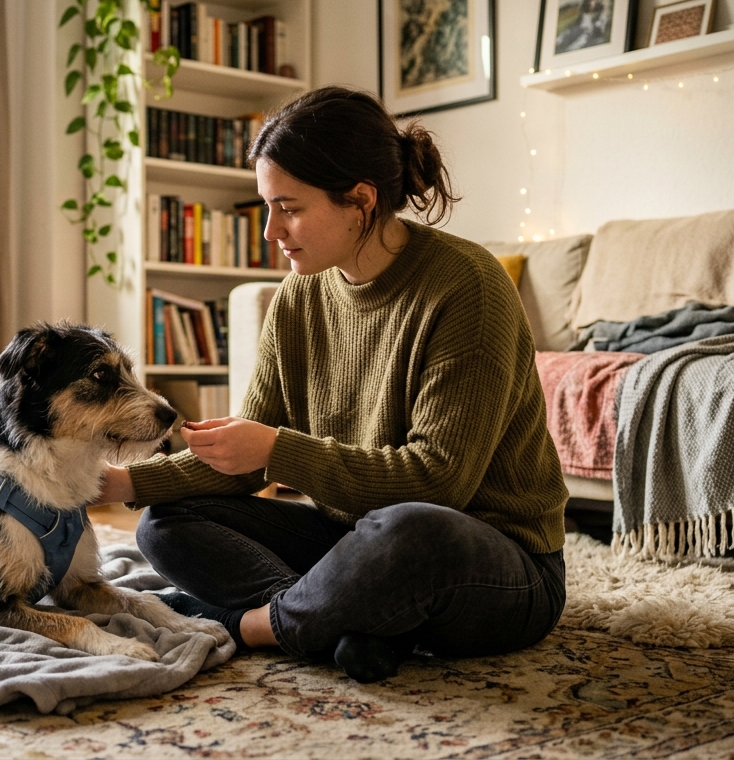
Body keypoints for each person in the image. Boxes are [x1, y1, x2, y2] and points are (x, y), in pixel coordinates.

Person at [92, 86, 569, 683]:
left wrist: (276, 449)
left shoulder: (467, 286)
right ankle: (345, 624)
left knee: (407, 530)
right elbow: (238, 461)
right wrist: (117, 481)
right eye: (267, 206)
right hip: (352, 543)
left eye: (288, 207)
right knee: (164, 522)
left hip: (493, 563)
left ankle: (255, 625)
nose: (271, 231)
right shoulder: (298, 298)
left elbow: (440, 482)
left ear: (361, 201)